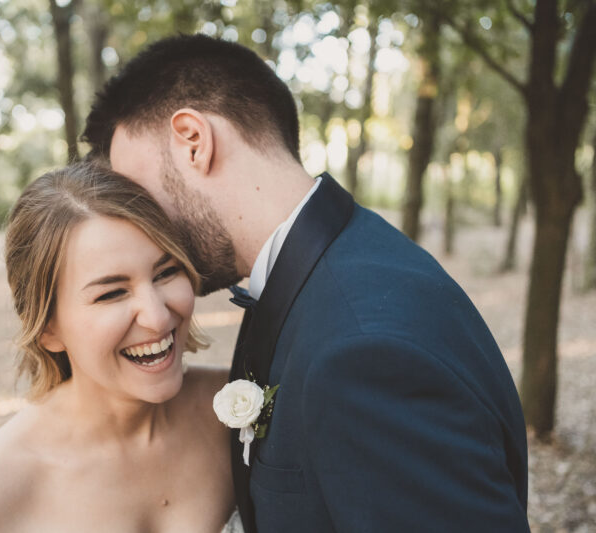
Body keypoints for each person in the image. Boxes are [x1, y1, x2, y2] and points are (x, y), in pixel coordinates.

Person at [83, 34, 530, 532]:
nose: (144, 228)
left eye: (140, 194)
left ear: (193, 141)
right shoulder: (319, 273)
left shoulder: (364, 352)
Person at [0, 162, 242, 532]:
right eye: (112, 293)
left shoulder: (235, 410)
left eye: (165, 272)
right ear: (48, 329)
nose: (158, 318)